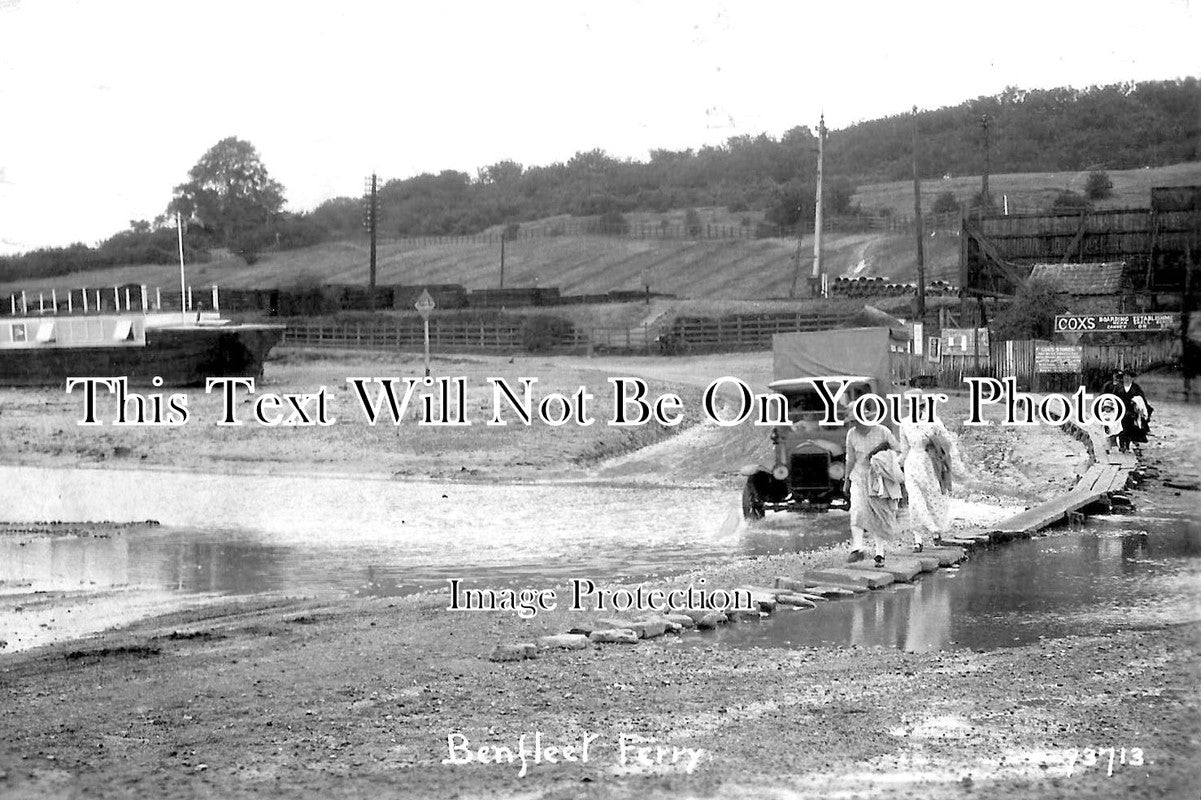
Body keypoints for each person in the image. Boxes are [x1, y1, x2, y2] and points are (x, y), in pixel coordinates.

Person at [898, 391, 955, 552]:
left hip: (930, 463)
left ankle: (936, 531)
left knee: (932, 497)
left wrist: (934, 442)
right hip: (912, 463)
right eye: (910, 407)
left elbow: (947, 441)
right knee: (915, 501)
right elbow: (904, 450)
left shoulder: (933, 421)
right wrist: (893, 466)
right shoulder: (905, 423)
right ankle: (918, 539)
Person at [843, 414, 901, 567]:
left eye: (857, 421)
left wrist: (881, 456)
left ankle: (879, 552)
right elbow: (850, 458)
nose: (855, 424)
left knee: (879, 513)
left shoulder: (882, 431)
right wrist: (846, 479)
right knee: (856, 509)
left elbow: (897, 450)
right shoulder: (851, 434)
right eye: (853, 422)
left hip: (878, 478)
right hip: (858, 476)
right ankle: (857, 548)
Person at [1113, 370, 1153, 453]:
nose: (1127, 378)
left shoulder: (1136, 388)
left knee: (1129, 429)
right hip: (1120, 411)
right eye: (1125, 377)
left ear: (1132, 378)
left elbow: (1142, 400)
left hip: (1132, 412)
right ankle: (1121, 445)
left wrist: (1139, 406)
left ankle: (1127, 445)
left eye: (1128, 377)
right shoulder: (1118, 387)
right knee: (1121, 428)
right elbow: (1113, 398)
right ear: (1122, 378)